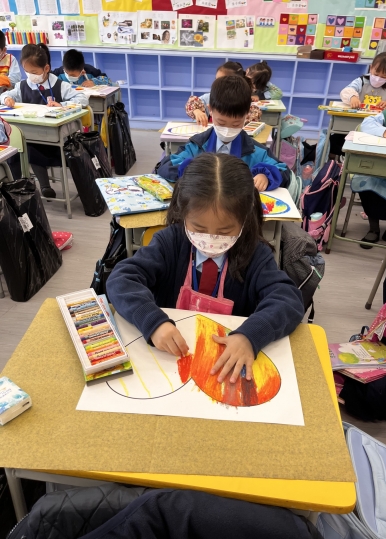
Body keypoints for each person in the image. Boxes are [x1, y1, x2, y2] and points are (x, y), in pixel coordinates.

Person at [107, 153, 304, 384]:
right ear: (183, 213)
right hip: (169, 364)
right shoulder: (170, 242)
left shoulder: (255, 254)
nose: (211, 239)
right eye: (199, 228)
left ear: (245, 219)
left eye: (224, 231)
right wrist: (153, 322)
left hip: (222, 368)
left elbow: (288, 300)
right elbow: (121, 280)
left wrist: (250, 336)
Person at [159, 75, 290, 191]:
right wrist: (192, 171)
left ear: (247, 115)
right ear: (210, 110)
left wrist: (266, 176)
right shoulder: (197, 145)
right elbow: (165, 166)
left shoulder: (256, 152)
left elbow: (284, 172)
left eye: (236, 124)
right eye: (221, 123)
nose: (228, 129)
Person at [0, 43, 88, 198]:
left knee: (31, 149)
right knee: (23, 148)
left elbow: (82, 98)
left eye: (34, 72)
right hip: (32, 139)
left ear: (46, 68)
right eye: (27, 71)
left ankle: (47, 187)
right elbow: (4, 95)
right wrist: (6, 98)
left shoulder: (59, 85)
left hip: (57, 140)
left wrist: (62, 105)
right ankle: (33, 188)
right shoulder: (23, 86)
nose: (30, 76)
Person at [351, 102, 386, 248]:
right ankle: (373, 228)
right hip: (384, 164)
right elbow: (367, 123)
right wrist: (385, 132)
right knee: (366, 179)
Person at [185, 61, 261, 127]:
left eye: (222, 82)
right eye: (216, 80)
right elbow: (192, 102)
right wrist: (197, 111)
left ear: (236, 83)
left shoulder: (243, 102)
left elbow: (254, 114)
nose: (216, 84)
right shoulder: (210, 97)